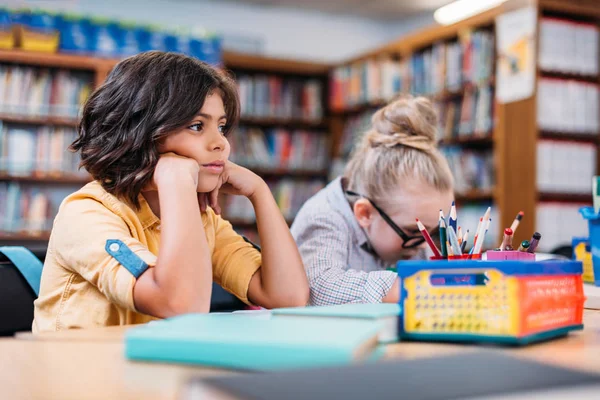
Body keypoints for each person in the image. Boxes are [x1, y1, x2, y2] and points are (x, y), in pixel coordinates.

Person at [34, 51, 309, 332]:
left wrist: (259, 192)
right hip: (77, 372)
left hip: (144, 371)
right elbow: (181, 305)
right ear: (141, 132)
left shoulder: (201, 219)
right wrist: (176, 179)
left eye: (222, 127)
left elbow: (288, 297)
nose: (221, 144)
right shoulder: (86, 213)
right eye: (196, 126)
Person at [291, 95, 454, 305]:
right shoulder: (323, 217)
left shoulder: (402, 226)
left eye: (432, 232)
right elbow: (320, 289)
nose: (424, 245)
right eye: (415, 232)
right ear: (365, 213)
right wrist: (409, 284)